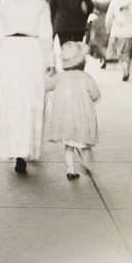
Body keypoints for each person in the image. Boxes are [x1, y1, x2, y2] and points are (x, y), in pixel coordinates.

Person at [0, 0, 54, 175]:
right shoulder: (40, 1)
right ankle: (28, 149)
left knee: (10, 100)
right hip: (33, 51)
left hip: (9, 51)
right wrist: (49, 61)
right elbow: (46, 35)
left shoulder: (3, 0)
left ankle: (14, 150)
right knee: (31, 100)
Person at [45, 41, 100, 180]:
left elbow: (47, 86)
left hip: (65, 118)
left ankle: (70, 170)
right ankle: (87, 165)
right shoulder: (86, 77)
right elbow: (95, 94)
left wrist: (49, 73)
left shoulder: (60, 77)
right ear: (82, 63)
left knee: (69, 145)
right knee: (85, 144)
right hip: (82, 117)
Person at [106, 0, 132, 82]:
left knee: (121, 53)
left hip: (117, 32)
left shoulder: (114, 1)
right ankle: (126, 69)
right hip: (129, 32)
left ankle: (124, 69)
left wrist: (108, 28)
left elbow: (109, 17)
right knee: (127, 53)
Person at [88, 0, 115, 68]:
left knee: (97, 40)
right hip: (110, 18)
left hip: (98, 18)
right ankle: (107, 56)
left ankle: (103, 57)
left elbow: (92, 7)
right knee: (107, 39)